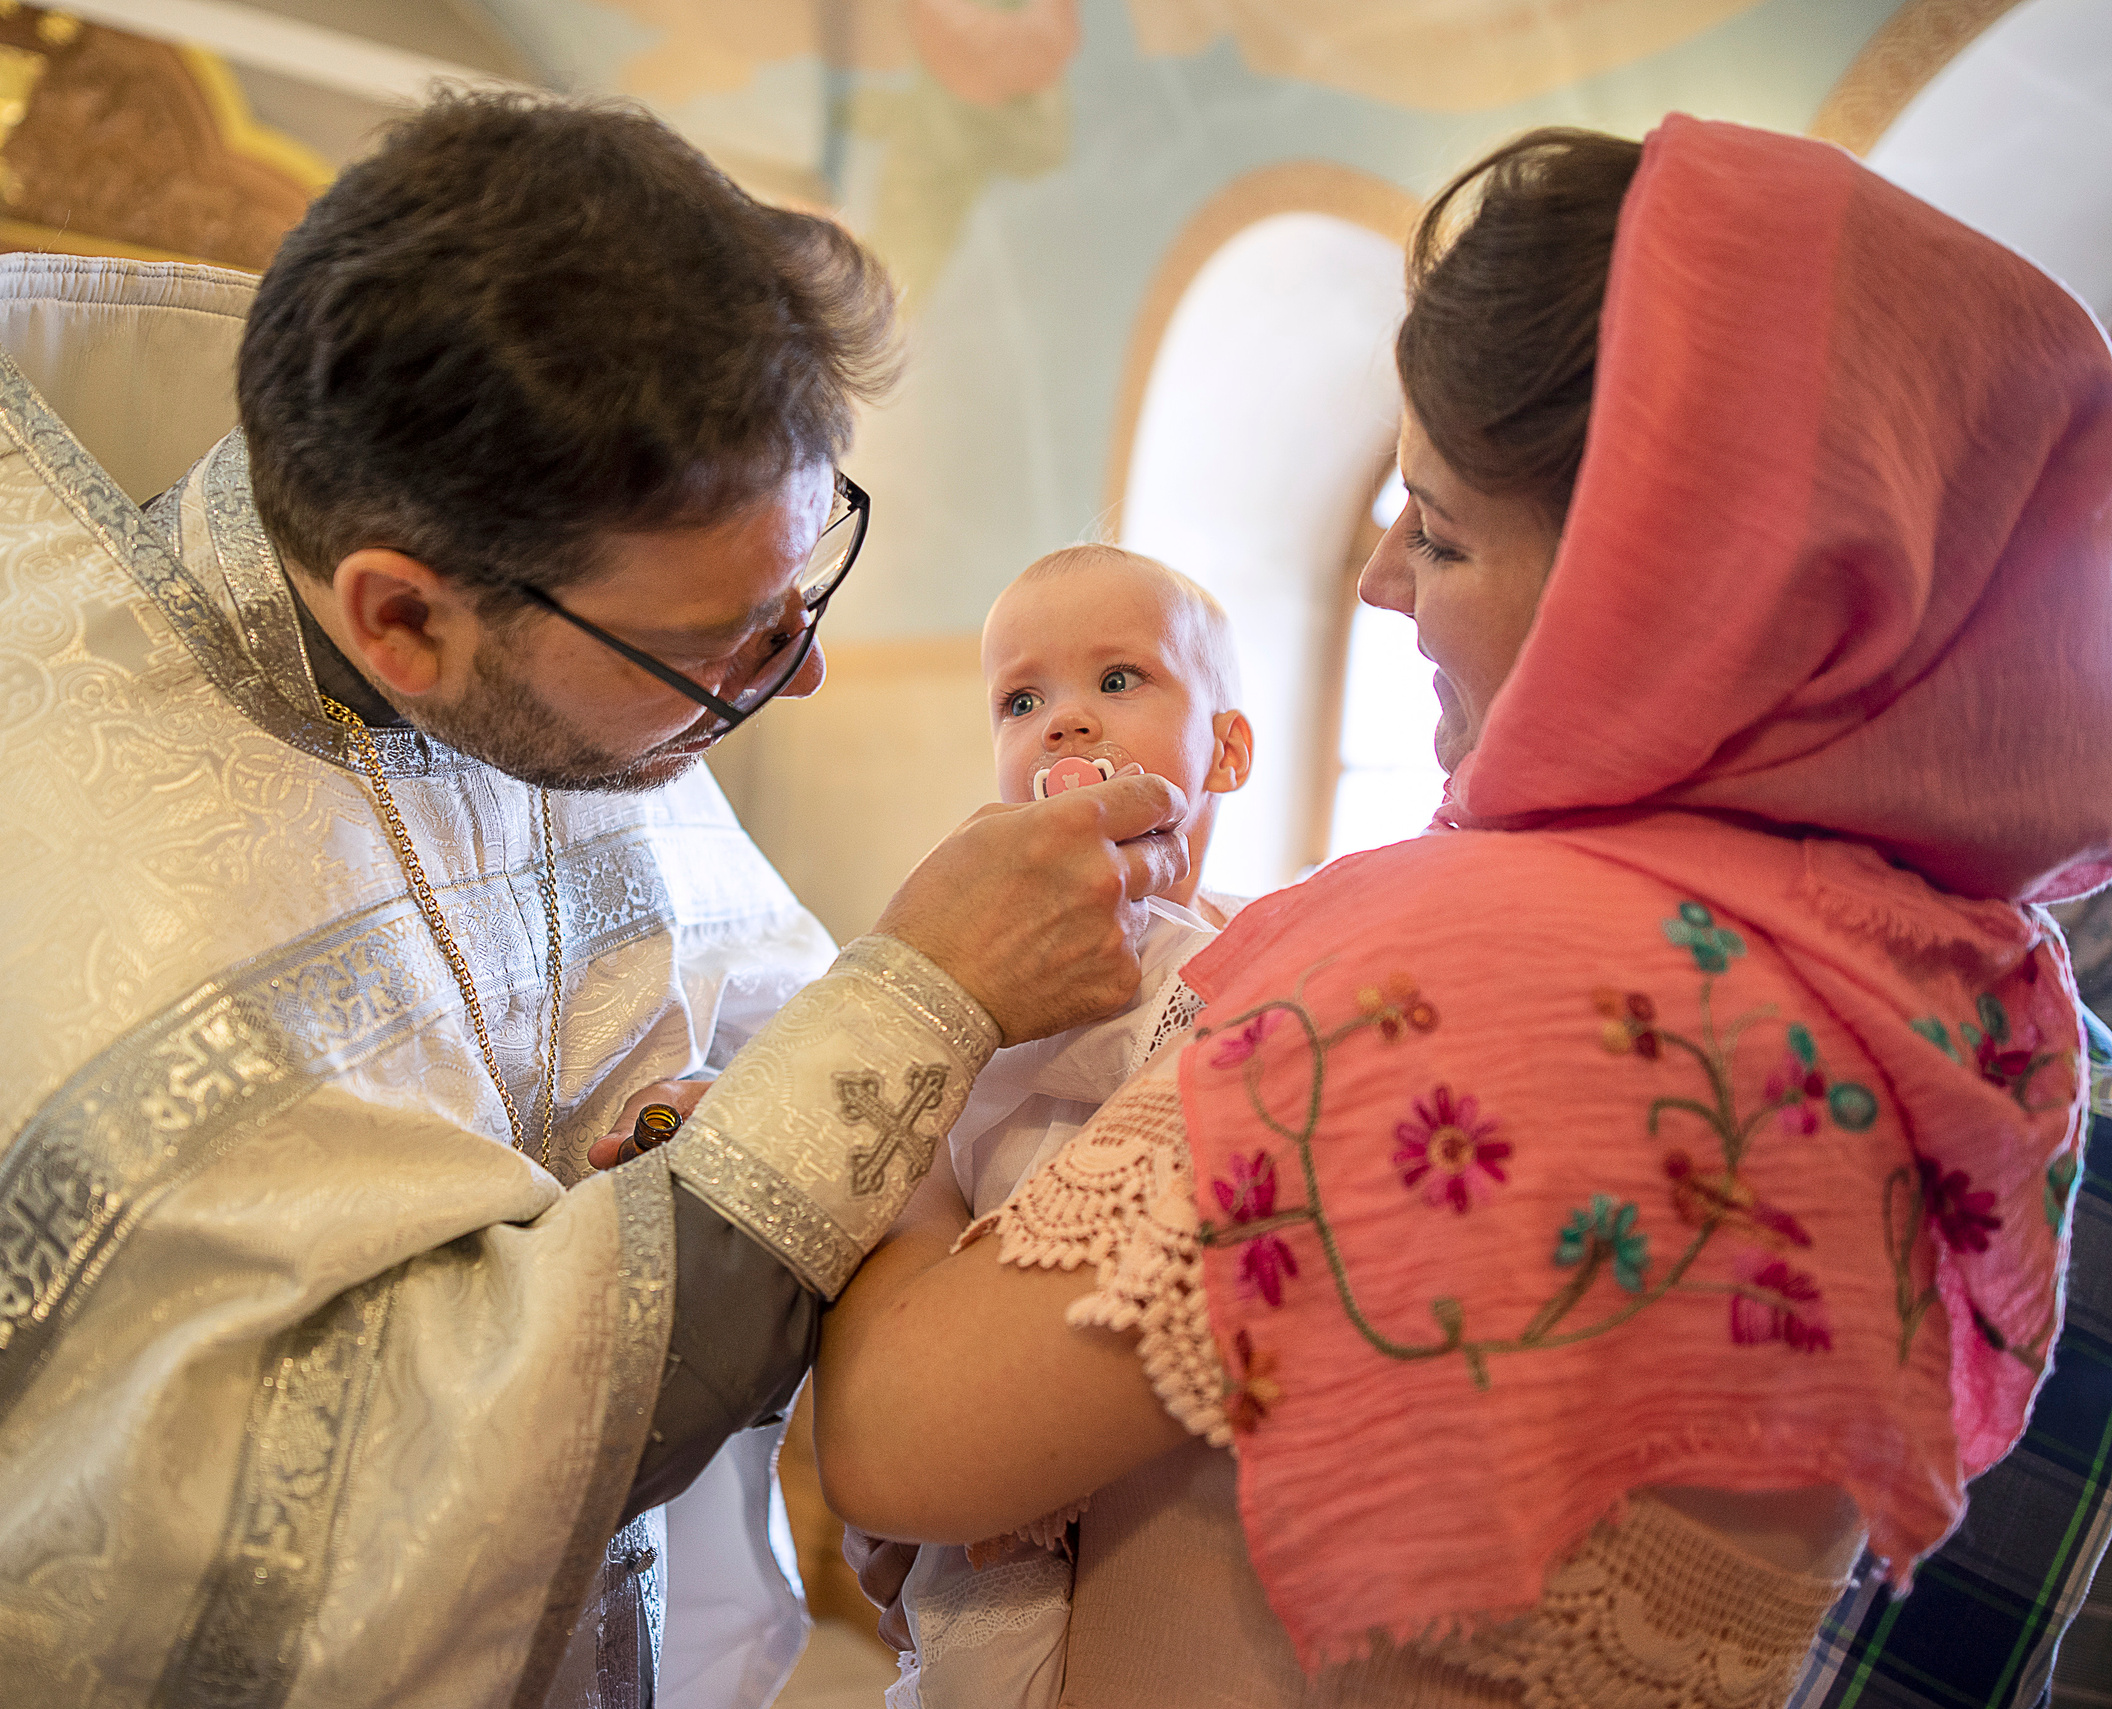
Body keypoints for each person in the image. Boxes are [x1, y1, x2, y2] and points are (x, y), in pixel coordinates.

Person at [0, 93, 1190, 1709]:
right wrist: (920, 996)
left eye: (804, 586)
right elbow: (334, 1532)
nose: (802, 673)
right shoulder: (112, 877)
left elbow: (752, 1025)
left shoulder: (539, 656)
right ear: (402, 619)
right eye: (725, 641)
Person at [814, 114, 2112, 1708]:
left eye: (1437, 529)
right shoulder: (1976, 987)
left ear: (1675, 585)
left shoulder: (1475, 976)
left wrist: (920, 1022)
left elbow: (900, 1439)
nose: (1374, 581)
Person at [887, 544, 1252, 1708]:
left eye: (1118, 680)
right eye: (1022, 699)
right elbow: (896, 1072)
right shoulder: (978, 930)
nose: (1061, 723)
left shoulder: (1221, 955)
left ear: (1227, 750)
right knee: (970, 1662)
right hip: (974, 1396)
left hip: (1128, 1426)